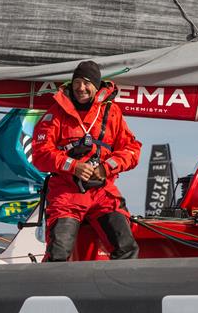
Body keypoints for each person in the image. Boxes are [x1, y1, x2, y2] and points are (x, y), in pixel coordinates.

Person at [32, 60, 141, 261]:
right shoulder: (56, 113)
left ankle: (121, 291)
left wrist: (106, 167)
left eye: (86, 83)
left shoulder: (112, 112)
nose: (81, 88)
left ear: (96, 86)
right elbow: (40, 154)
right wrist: (73, 166)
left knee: (126, 247)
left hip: (103, 192)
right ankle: (50, 290)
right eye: (77, 82)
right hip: (66, 194)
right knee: (58, 254)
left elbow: (132, 150)